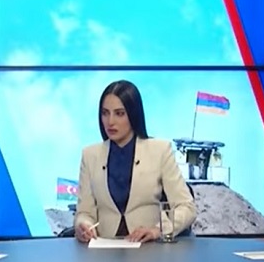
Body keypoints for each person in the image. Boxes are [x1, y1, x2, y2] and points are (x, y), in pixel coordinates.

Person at [74, 80, 196, 243]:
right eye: (105, 113)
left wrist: (157, 230)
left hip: (149, 249)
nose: (110, 121)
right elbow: (84, 213)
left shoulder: (160, 150)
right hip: (104, 249)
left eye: (119, 113)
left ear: (133, 114)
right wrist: (83, 225)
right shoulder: (90, 155)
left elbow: (187, 207)